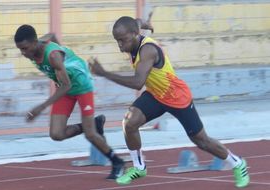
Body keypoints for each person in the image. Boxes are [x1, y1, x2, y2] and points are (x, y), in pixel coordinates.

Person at [88, 16, 250, 188]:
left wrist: (105, 74)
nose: (120, 46)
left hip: (176, 97)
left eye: (123, 40)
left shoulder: (147, 50)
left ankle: (238, 163)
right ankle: (139, 167)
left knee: (201, 140)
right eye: (117, 41)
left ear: (135, 35)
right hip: (157, 95)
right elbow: (137, 22)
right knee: (129, 122)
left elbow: (137, 82)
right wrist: (145, 24)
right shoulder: (133, 31)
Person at [14, 24, 125, 179]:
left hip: (81, 86)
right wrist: (64, 56)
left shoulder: (53, 56)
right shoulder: (40, 46)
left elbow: (67, 85)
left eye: (25, 48)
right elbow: (52, 35)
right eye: (20, 49)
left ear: (34, 42)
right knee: (56, 134)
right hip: (64, 87)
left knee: (91, 135)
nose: (23, 53)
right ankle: (95, 123)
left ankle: (117, 162)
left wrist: (41, 107)